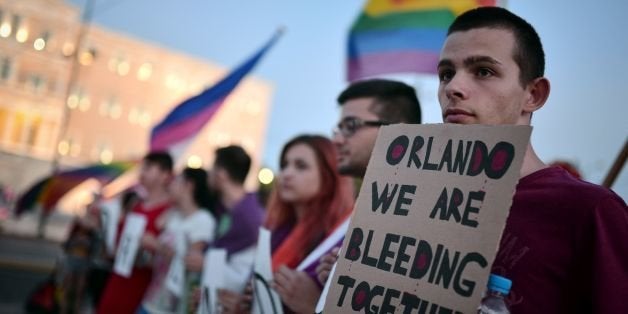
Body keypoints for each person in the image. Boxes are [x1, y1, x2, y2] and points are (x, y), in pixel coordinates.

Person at [436, 7, 628, 313]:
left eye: (484, 71)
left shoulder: (591, 211)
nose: (453, 88)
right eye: (446, 74)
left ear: (534, 94)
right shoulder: (425, 203)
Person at [316, 79, 422, 284]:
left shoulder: (423, 217)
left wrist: (311, 303)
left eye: (351, 125)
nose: (337, 140)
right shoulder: (367, 206)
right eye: (339, 128)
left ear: (397, 131)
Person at [184, 145, 265, 309]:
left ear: (222, 174)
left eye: (213, 168)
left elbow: (244, 274)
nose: (209, 174)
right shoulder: (222, 207)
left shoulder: (251, 219)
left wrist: (207, 263)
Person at [97, 152, 173, 314]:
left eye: (148, 168)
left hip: (142, 284)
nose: (142, 173)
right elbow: (116, 243)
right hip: (118, 279)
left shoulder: (170, 212)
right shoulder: (136, 206)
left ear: (165, 175)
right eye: (142, 168)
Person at [139, 167, 216, 314]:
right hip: (151, 299)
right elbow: (158, 226)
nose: (171, 184)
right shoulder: (174, 215)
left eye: (177, 180)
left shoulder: (203, 220)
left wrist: (156, 245)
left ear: (189, 185)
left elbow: (190, 264)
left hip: (172, 307)